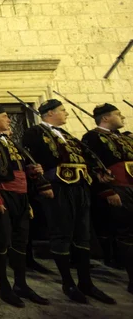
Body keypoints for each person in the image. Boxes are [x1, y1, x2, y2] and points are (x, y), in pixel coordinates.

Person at [24, 99, 115, 304]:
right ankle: (68, 283)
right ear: (50, 114)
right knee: (62, 233)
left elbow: (82, 158)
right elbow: (32, 161)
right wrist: (42, 184)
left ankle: (86, 282)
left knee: (82, 234)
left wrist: (97, 172)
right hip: (58, 187)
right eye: (62, 111)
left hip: (80, 187)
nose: (66, 114)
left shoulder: (67, 135)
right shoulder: (35, 133)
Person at [0, 105, 48, 308]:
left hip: (20, 196)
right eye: (5, 117)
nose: (9, 120)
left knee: (20, 241)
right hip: (2, 194)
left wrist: (32, 171)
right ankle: (4, 286)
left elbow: (18, 168)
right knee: (2, 240)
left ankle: (21, 284)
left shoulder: (9, 141)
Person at [83, 103, 133, 295]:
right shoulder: (93, 137)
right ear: (105, 118)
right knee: (126, 232)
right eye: (118, 114)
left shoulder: (124, 138)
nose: (122, 117)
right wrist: (105, 190)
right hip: (119, 188)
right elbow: (94, 167)